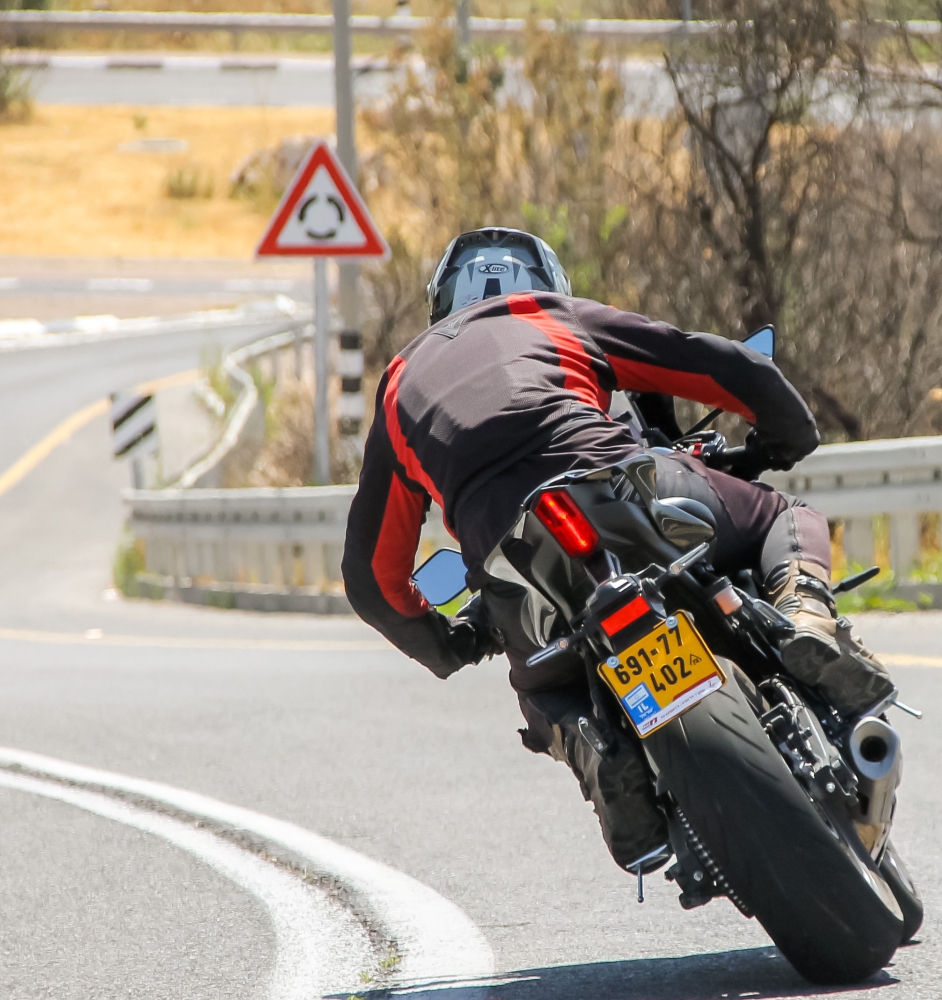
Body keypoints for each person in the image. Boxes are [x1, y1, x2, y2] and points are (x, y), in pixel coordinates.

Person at [342, 227, 892, 872]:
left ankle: (597, 754)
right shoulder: (547, 316)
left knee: (544, 687)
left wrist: (443, 643)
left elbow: (370, 575)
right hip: (614, 484)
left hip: (509, 555)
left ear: (439, 306)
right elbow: (711, 362)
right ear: (548, 285)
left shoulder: (400, 383)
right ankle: (805, 615)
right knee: (783, 515)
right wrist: (785, 433)